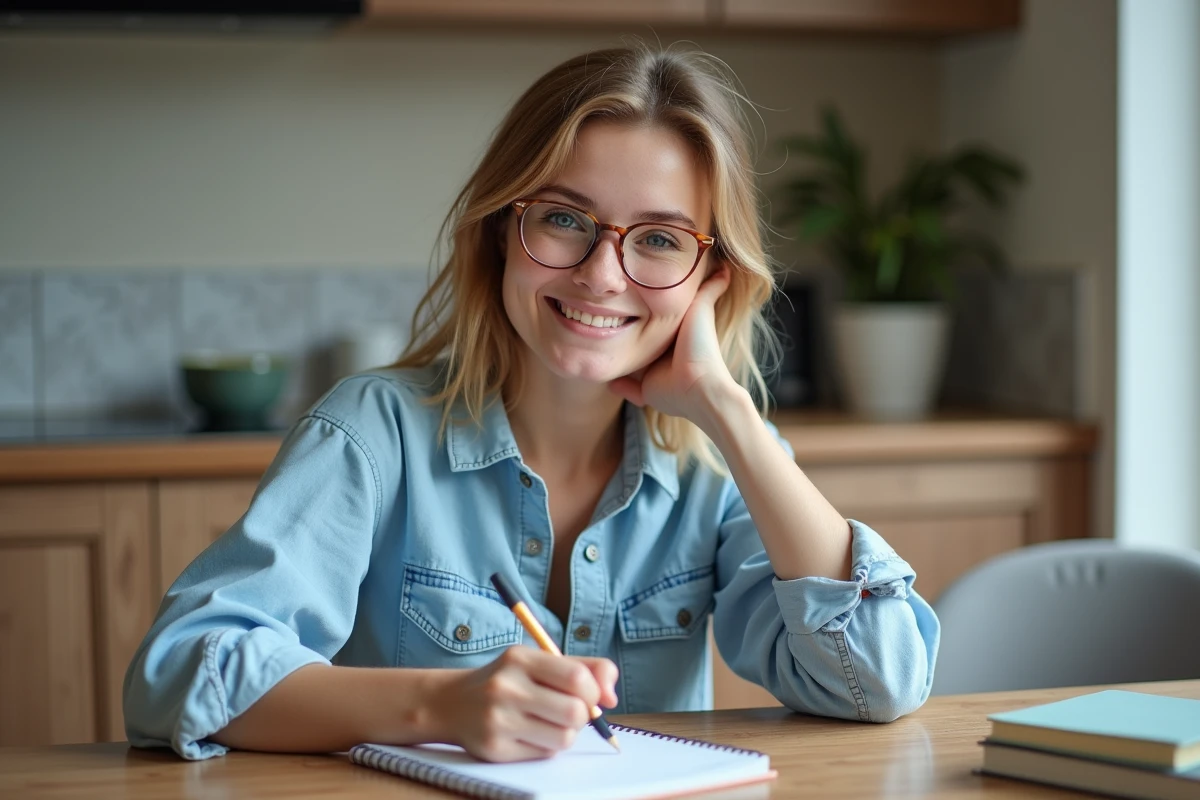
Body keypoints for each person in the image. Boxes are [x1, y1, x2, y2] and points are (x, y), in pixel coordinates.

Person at [123, 44, 940, 763]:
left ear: (710, 276)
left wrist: (727, 409)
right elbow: (179, 672)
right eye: (563, 219)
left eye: (658, 239)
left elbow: (878, 680)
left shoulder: (721, 466)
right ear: (497, 233)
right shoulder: (372, 433)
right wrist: (438, 707)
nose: (601, 275)